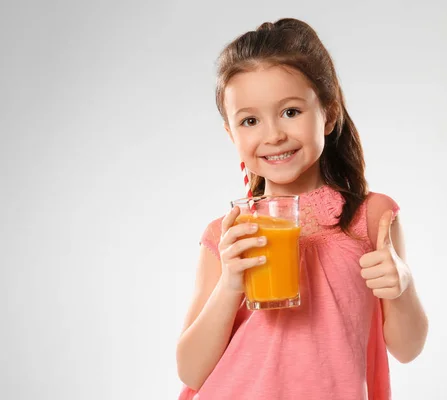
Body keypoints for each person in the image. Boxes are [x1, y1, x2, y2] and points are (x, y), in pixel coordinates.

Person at [176, 18, 428, 400]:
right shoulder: (227, 235)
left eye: (291, 112)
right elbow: (192, 369)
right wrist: (230, 283)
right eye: (249, 120)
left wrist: (402, 287)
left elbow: (407, 349)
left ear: (327, 113)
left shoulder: (372, 218)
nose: (273, 134)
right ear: (231, 133)